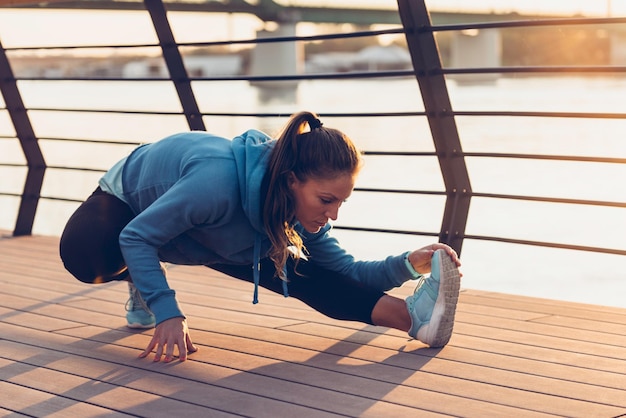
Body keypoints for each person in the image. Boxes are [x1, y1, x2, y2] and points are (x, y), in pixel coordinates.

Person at [59, 111, 461, 363]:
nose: (333, 213)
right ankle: (140, 282)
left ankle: (414, 318)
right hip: (131, 203)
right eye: (326, 199)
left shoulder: (298, 209)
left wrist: (409, 263)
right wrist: (167, 311)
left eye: (341, 201)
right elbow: (137, 236)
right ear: (291, 181)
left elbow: (342, 268)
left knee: (306, 276)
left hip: (215, 233)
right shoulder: (213, 185)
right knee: (85, 257)